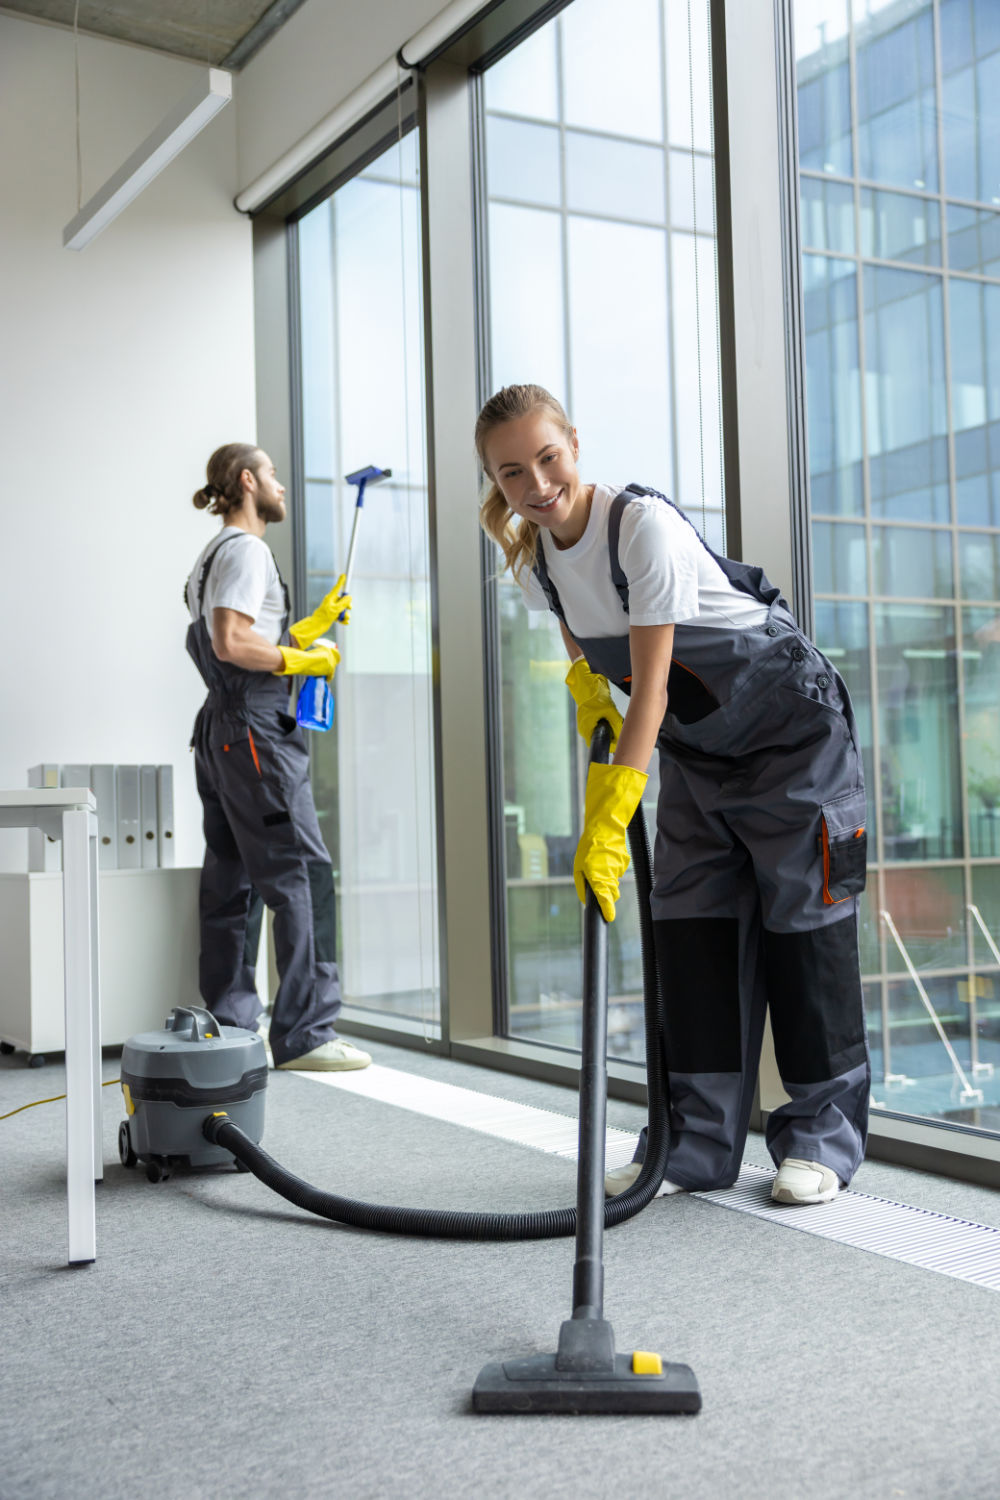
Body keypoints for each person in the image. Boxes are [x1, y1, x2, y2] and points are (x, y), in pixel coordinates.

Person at [476, 385, 869, 1206]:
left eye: (548, 458)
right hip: (698, 753)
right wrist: (586, 688)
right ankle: (693, 1143)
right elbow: (592, 659)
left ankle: (822, 1141)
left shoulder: (640, 529)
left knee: (806, 930)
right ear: (496, 481)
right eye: (513, 473)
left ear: (575, 444)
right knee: (692, 935)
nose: (538, 484)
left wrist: (612, 810)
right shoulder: (536, 559)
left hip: (793, 737)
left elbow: (648, 690)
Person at [185, 442, 371, 1072]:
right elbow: (232, 641)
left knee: (232, 879)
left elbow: (235, 641)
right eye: (271, 475)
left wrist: (307, 628)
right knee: (301, 871)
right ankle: (306, 1034)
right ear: (246, 481)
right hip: (256, 732)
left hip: (221, 732)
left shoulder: (209, 558)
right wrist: (301, 659)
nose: (281, 486)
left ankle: (232, 1024)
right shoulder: (247, 549)